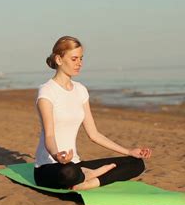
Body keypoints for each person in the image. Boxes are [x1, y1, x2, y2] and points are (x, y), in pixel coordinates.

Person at [34, 36, 152, 190]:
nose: (79, 63)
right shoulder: (47, 91)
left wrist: (129, 151)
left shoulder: (80, 90)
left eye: (81, 58)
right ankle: (87, 176)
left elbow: (94, 134)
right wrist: (57, 155)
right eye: (74, 59)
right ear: (59, 59)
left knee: (136, 163)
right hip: (50, 167)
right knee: (68, 172)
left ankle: (89, 182)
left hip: (75, 164)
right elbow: (49, 136)